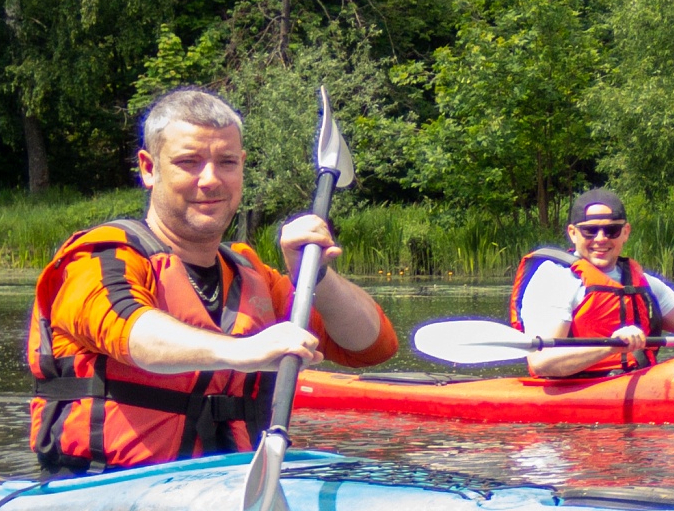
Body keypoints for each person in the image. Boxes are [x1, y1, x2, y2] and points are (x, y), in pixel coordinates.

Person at [26, 87, 398, 472]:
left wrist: (315, 274)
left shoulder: (250, 275)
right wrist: (241, 351)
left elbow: (370, 346)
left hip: (228, 487)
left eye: (227, 162)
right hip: (106, 489)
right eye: (189, 162)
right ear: (149, 168)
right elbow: (131, 332)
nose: (211, 180)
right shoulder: (97, 258)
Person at [509, 188, 674, 378]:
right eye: (590, 230)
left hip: (634, 384)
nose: (601, 239)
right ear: (573, 233)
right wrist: (610, 346)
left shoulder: (643, 283)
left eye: (611, 230)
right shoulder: (555, 279)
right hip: (572, 395)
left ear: (626, 233)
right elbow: (543, 363)